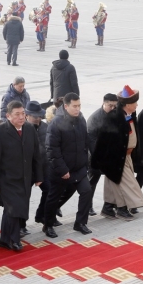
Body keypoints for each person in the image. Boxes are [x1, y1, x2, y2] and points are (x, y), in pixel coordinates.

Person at [0, 101, 42, 251]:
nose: (21, 117)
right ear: (8, 116)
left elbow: (36, 154)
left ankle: (4, 240)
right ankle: (14, 240)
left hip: (25, 179)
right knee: (15, 209)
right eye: (17, 114)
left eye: (23, 113)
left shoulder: (30, 129)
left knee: (12, 210)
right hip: (7, 180)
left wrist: (38, 176)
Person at [91, 85, 143, 220]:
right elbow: (103, 140)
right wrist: (98, 160)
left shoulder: (130, 114)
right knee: (127, 184)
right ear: (127, 104)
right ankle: (122, 209)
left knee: (113, 183)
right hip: (116, 158)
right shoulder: (114, 118)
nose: (137, 105)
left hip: (126, 156)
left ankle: (108, 208)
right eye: (134, 103)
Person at [43, 93, 92, 237]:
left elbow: (85, 142)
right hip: (61, 170)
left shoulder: (81, 120)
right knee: (53, 198)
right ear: (66, 106)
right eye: (74, 106)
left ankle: (80, 223)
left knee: (86, 191)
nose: (78, 109)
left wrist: (86, 162)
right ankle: (48, 225)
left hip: (79, 168)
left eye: (79, 106)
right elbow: (52, 149)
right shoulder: (56, 123)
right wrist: (63, 169)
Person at [87, 94, 118, 214]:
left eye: (115, 106)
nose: (113, 108)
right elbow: (91, 141)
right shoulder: (94, 119)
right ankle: (88, 206)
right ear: (104, 103)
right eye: (110, 105)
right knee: (92, 182)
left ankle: (110, 206)